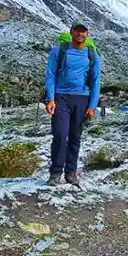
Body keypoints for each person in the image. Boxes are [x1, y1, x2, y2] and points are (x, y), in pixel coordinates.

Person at [44, 21, 102, 187]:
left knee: (75, 137)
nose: (80, 34)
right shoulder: (58, 51)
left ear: (87, 34)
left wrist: (92, 106)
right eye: (77, 31)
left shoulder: (92, 55)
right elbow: (50, 75)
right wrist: (50, 98)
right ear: (71, 32)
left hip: (82, 98)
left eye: (83, 31)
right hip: (61, 97)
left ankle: (71, 173)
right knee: (60, 134)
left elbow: (96, 82)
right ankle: (55, 173)